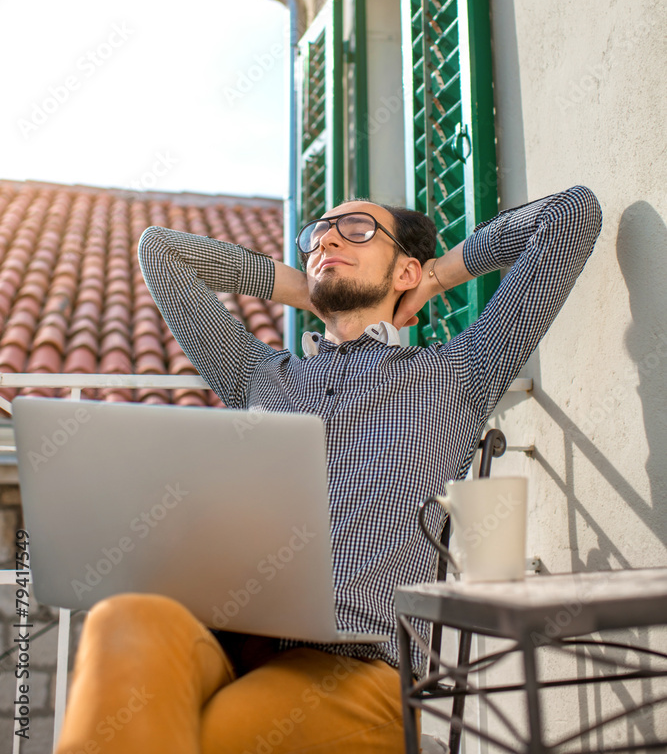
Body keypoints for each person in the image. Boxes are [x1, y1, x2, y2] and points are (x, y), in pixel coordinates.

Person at [55, 185, 602, 754]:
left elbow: (571, 217)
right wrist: (312, 287)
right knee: (124, 618)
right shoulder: (260, 376)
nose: (328, 238)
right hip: (223, 638)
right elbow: (161, 253)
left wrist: (437, 277)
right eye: (317, 234)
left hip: (351, 667)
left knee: (213, 735)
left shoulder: (455, 376)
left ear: (405, 271)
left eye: (358, 230)